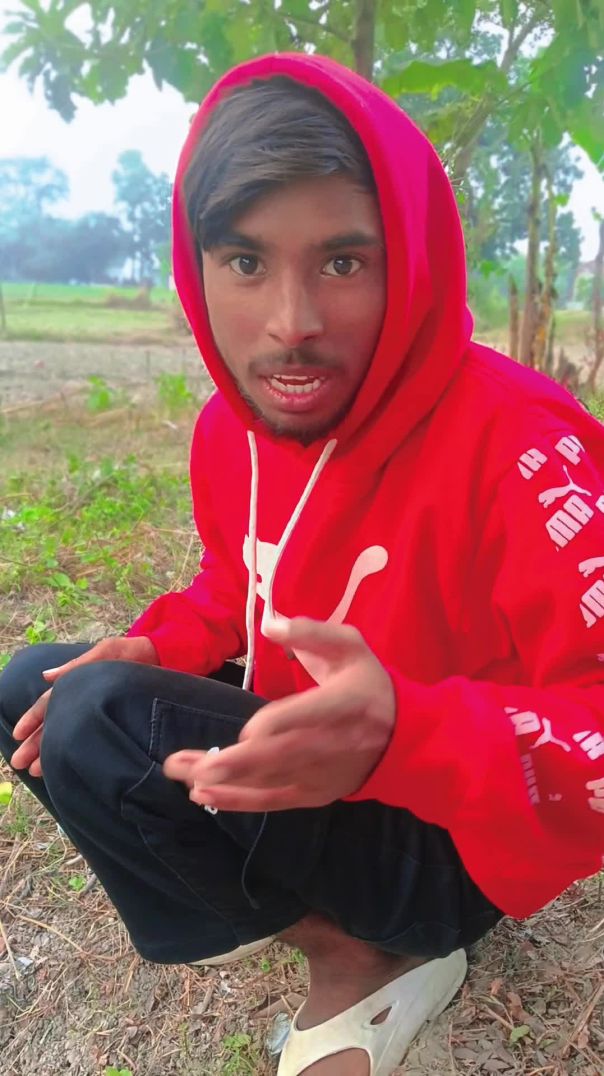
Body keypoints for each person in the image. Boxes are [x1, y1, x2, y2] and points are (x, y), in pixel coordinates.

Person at [1, 53, 603, 1076]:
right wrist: (164, 644)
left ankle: (380, 953)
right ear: (197, 268)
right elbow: (236, 586)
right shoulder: (230, 431)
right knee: (38, 690)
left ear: (410, 260)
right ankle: (332, 931)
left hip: (452, 830)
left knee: (98, 715)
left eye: (342, 263)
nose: (291, 324)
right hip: (311, 758)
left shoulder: (525, 447)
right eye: (245, 262)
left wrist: (402, 736)